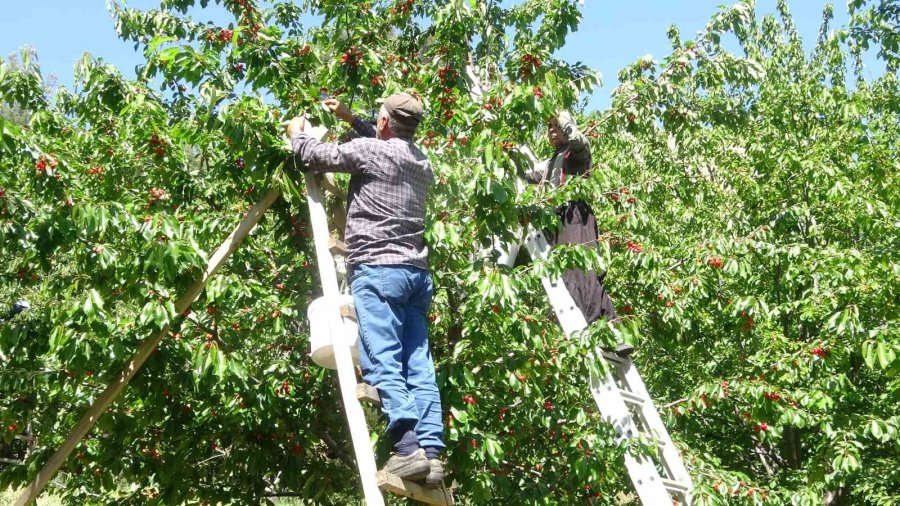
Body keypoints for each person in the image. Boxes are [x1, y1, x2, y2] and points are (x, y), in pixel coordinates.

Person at [286, 93, 445, 486]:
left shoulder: (371, 152)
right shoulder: (422, 162)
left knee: (382, 358)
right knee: (418, 363)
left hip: (379, 270)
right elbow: (383, 141)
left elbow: (313, 157)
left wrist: (297, 134)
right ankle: (433, 452)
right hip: (416, 275)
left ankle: (407, 450)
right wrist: (349, 117)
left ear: (385, 122)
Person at [525, 111, 633, 356]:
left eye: (557, 126)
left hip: (575, 215)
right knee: (567, 275)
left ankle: (605, 331)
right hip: (556, 219)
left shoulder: (575, 151)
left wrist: (567, 125)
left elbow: (580, 143)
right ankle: (596, 329)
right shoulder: (552, 159)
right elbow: (530, 174)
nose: (553, 130)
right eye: (549, 126)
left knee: (582, 272)